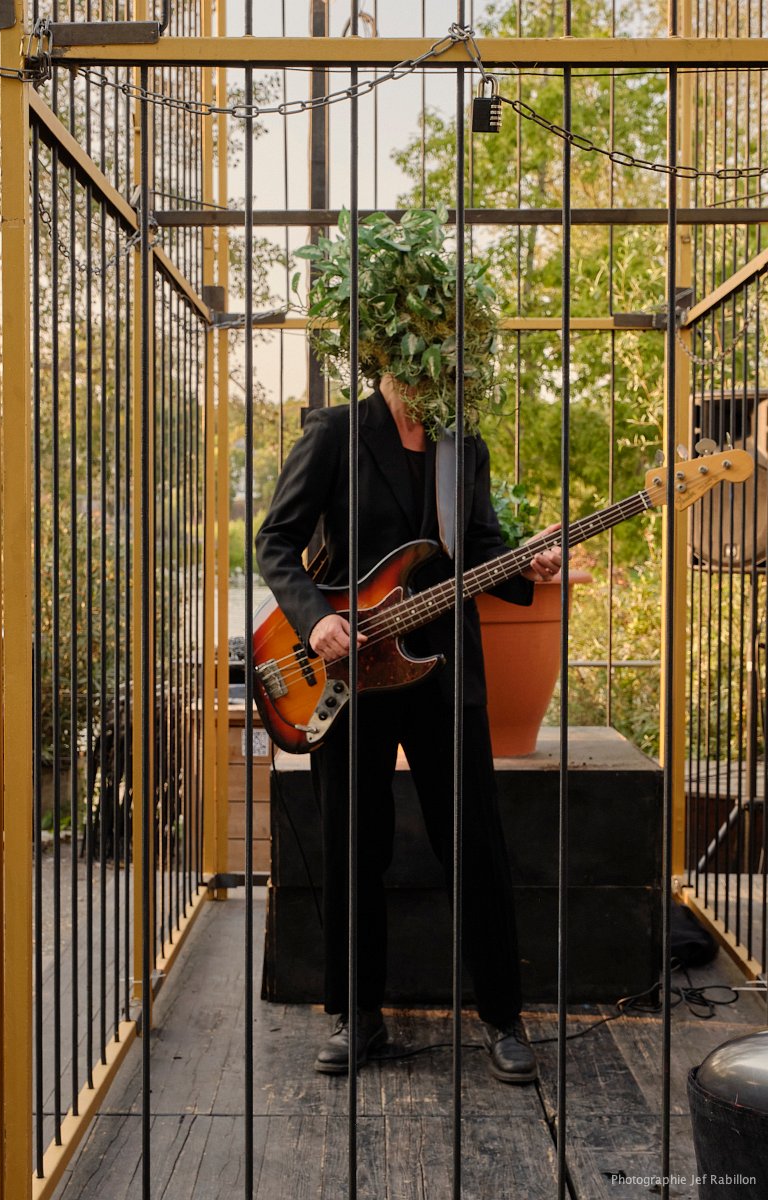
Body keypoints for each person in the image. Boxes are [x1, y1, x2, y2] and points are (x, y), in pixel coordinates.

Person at [255, 374, 563, 1083]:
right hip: (349, 668)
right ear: (386, 358)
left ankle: (503, 1018)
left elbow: (477, 549)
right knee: (354, 846)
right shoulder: (334, 433)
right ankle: (357, 1015)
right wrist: (316, 620)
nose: (434, 375)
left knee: (475, 843)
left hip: (444, 667)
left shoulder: (463, 445)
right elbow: (276, 541)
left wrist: (527, 564)